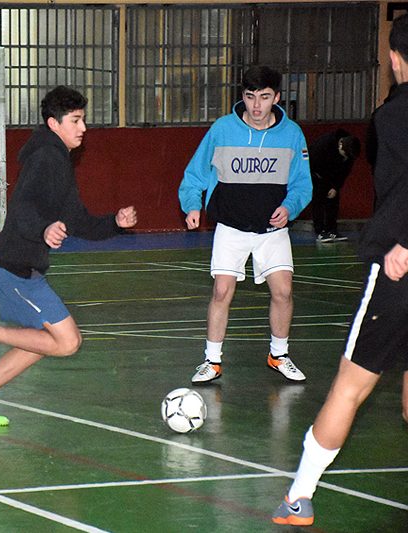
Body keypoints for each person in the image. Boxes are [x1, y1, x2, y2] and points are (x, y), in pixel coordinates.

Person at [272, 14, 408, 526]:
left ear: (394, 60)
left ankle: (298, 497)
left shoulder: (394, 116)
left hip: (398, 271)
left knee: (349, 388)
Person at [0, 86, 137, 426]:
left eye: (83, 120)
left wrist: (115, 222)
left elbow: (78, 220)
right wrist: (43, 230)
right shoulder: (47, 158)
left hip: (25, 268)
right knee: (68, 342)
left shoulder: (59, 160)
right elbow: (22, 208)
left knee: (38, 344)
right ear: (54, 124)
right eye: (76, 120)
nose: (83, 128)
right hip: (16, 268)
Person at [178, 66, 313, 385]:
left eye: (264, 98)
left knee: (283, 290)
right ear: (242, 97)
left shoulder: (292, 134)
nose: (256, 105)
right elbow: (194, 173)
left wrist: (289, 207)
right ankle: (212, 361)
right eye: (250, 97)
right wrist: (192, 205)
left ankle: (278, 355)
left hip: (272, 230)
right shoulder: (223, 129)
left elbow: (302, 185)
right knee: (222, 290)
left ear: (277, 98)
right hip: (231, 227)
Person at [309, 129, 361, 243]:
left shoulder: (350, 149)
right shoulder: (323, 146)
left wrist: (335, 186)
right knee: (319, 200)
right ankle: (320, 232)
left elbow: (345, 170)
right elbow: (314, 164)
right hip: (317, 173)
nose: (345, 158)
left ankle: (332, 230)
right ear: (340, 146)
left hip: (333, 176)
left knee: (333, 201)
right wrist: (327, 184)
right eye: (344, 155)